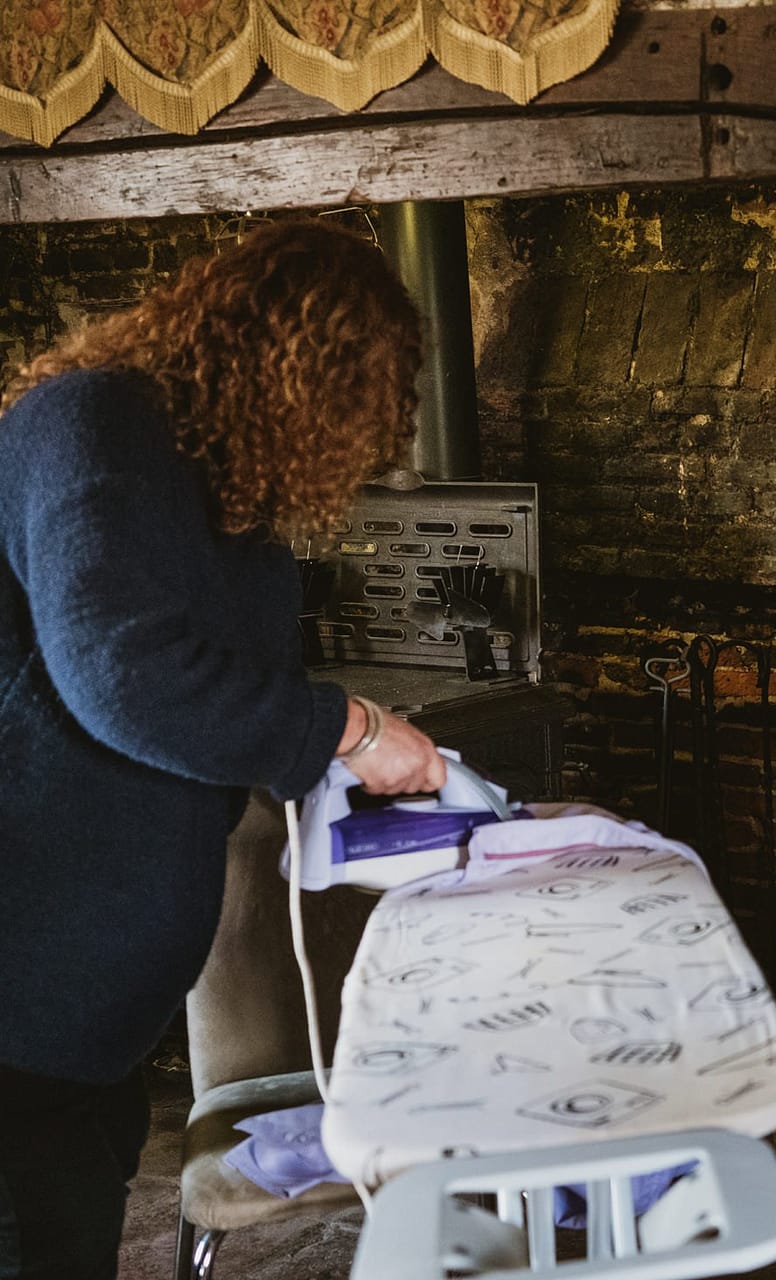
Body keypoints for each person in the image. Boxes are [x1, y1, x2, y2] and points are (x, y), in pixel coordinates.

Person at [0, 219, 449, 1278]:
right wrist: (347, 726)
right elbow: (122, 671)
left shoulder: (213, 491)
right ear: (279, 362)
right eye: (345, 399)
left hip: (95, 1028)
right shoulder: (91, 423)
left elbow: (216, 706)